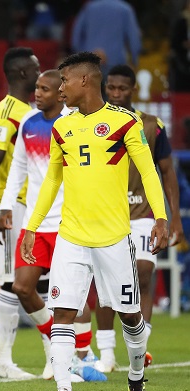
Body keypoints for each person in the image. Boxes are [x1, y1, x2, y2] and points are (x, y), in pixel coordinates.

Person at [22, 52, 169, 391]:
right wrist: (32, 226)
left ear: (85, 81)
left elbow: (149, 171)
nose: (60, 90)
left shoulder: (124, 122)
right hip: (71, 236)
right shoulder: (62, 127)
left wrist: (161, 218)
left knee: (130, 317)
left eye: (64, 82)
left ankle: (136, 378)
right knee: (63, 311)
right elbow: (53, 179)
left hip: (114, 238)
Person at [0, 70, 101, 380]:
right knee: (22, 288)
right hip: (36, 222)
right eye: (36, 88)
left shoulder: (74, 125)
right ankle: (57, 343)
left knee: (70, 296)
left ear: (61, 93)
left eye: (44, 89)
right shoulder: (28, 123)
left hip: (69, 223)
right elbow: (18, 167)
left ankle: (84, 355)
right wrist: (5, 205)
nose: (36, 94)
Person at [94, 64, 185, 372]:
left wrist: (174, 218)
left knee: (143, 273)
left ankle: (140, 345)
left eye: (123, 89)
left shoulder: (151, 125)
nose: (117, 94)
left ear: (133, 90)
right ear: (105, 88)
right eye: (112, 88)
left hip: (143, 212)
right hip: (107, 212)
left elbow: (167, 171)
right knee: (105, 282)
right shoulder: (95, 124)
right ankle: (106, 352)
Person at [0, 47, 39, 380]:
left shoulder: (28, 110)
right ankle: (3, 362)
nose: (41, 73)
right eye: (36, 69)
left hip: (24, 205)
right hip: (7, 208)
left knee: (31, 279)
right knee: (9, 282)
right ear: (21, 74)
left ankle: (52, 357)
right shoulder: (6, 113)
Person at [70, 0, 141, 77]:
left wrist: (84, 56)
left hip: (90, 64)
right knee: (114, 87)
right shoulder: (125, 9)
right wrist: (135, 61)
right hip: (116, 63)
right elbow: (134, 40)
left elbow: (75, 38)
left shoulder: (89, 8)